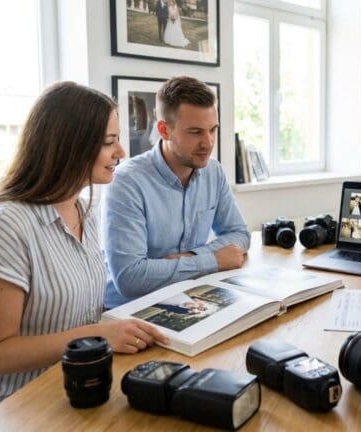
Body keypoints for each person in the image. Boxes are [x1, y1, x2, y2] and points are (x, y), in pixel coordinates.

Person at [0, 82, 169, 432]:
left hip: (65, 391)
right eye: (109, 142)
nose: (121, 152)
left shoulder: (84, 211)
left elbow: (82, 313)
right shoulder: (4, 226)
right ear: (71, 146)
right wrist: (100, 334)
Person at [102, 76, 250, 309]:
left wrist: (191, 257)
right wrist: (212, 260)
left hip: (190, 299)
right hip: (130, 310)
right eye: (195, 132)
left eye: (213, 130)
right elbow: (130, 278)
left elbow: (239, 234)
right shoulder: (126, 183)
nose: (208, 143)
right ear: (164, 130)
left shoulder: (213, 171)